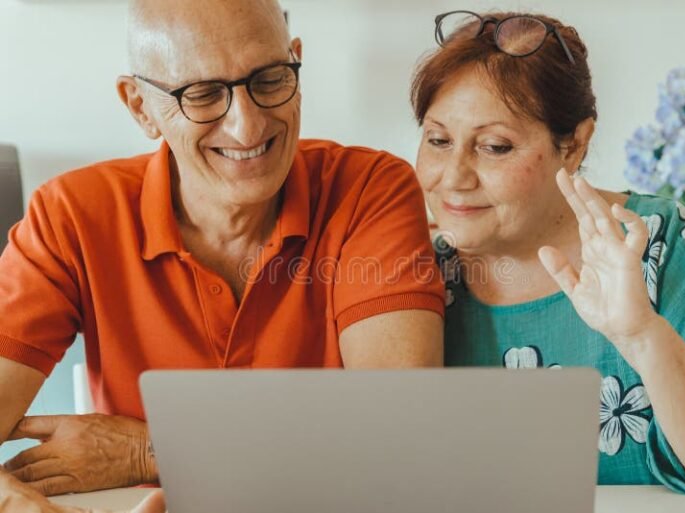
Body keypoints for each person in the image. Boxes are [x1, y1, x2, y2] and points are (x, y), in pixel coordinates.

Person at [0, 0, 444, 509]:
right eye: (204, 94)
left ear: (295, 62)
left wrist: (151, 451)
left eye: (270, 79)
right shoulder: (72, 215)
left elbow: (397, 433)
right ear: (140, 107)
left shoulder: (368, 190)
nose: (247, 126)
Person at [411, 10, 685, 499]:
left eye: (494, 147)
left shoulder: (655, 242)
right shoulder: (421, 271)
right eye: (437, 140)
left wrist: (641, 334)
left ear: (574, 144)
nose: (453, 177)